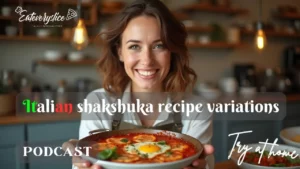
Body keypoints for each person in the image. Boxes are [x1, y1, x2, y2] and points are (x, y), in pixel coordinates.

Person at [62, 0, 214, 168]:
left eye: (159, 45)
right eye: (134, 46)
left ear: (172, 51)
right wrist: (82, 163)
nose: (147, 61)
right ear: (120, 52)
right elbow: (85, 162)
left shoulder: (197, 109)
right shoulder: (98, 102)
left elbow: (202, 164)